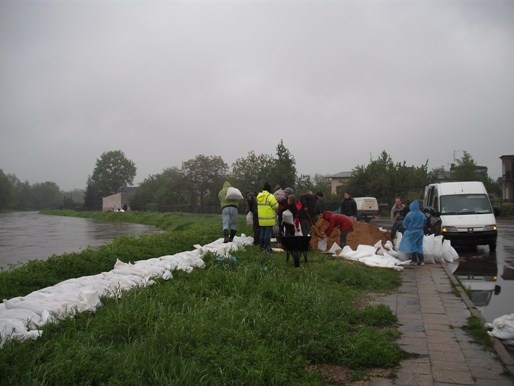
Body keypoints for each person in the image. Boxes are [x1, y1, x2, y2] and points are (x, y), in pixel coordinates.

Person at [399, 200, 427, 265]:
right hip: (420, 232)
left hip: (412, 231)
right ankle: (421, 260)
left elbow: (405, 223)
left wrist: (406, 227)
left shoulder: (410, 214)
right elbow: (425, 222)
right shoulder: (422, 214)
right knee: (419, 245)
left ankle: (414, 260)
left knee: (412, 245)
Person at [257, 182, 279, 252]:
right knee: (267, 235)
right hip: (268, 219)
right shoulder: (270, 196)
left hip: (261, 219)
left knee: (262, 234)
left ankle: (261, 246)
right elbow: (276, 206)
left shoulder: (259, 196)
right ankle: (266, 248)